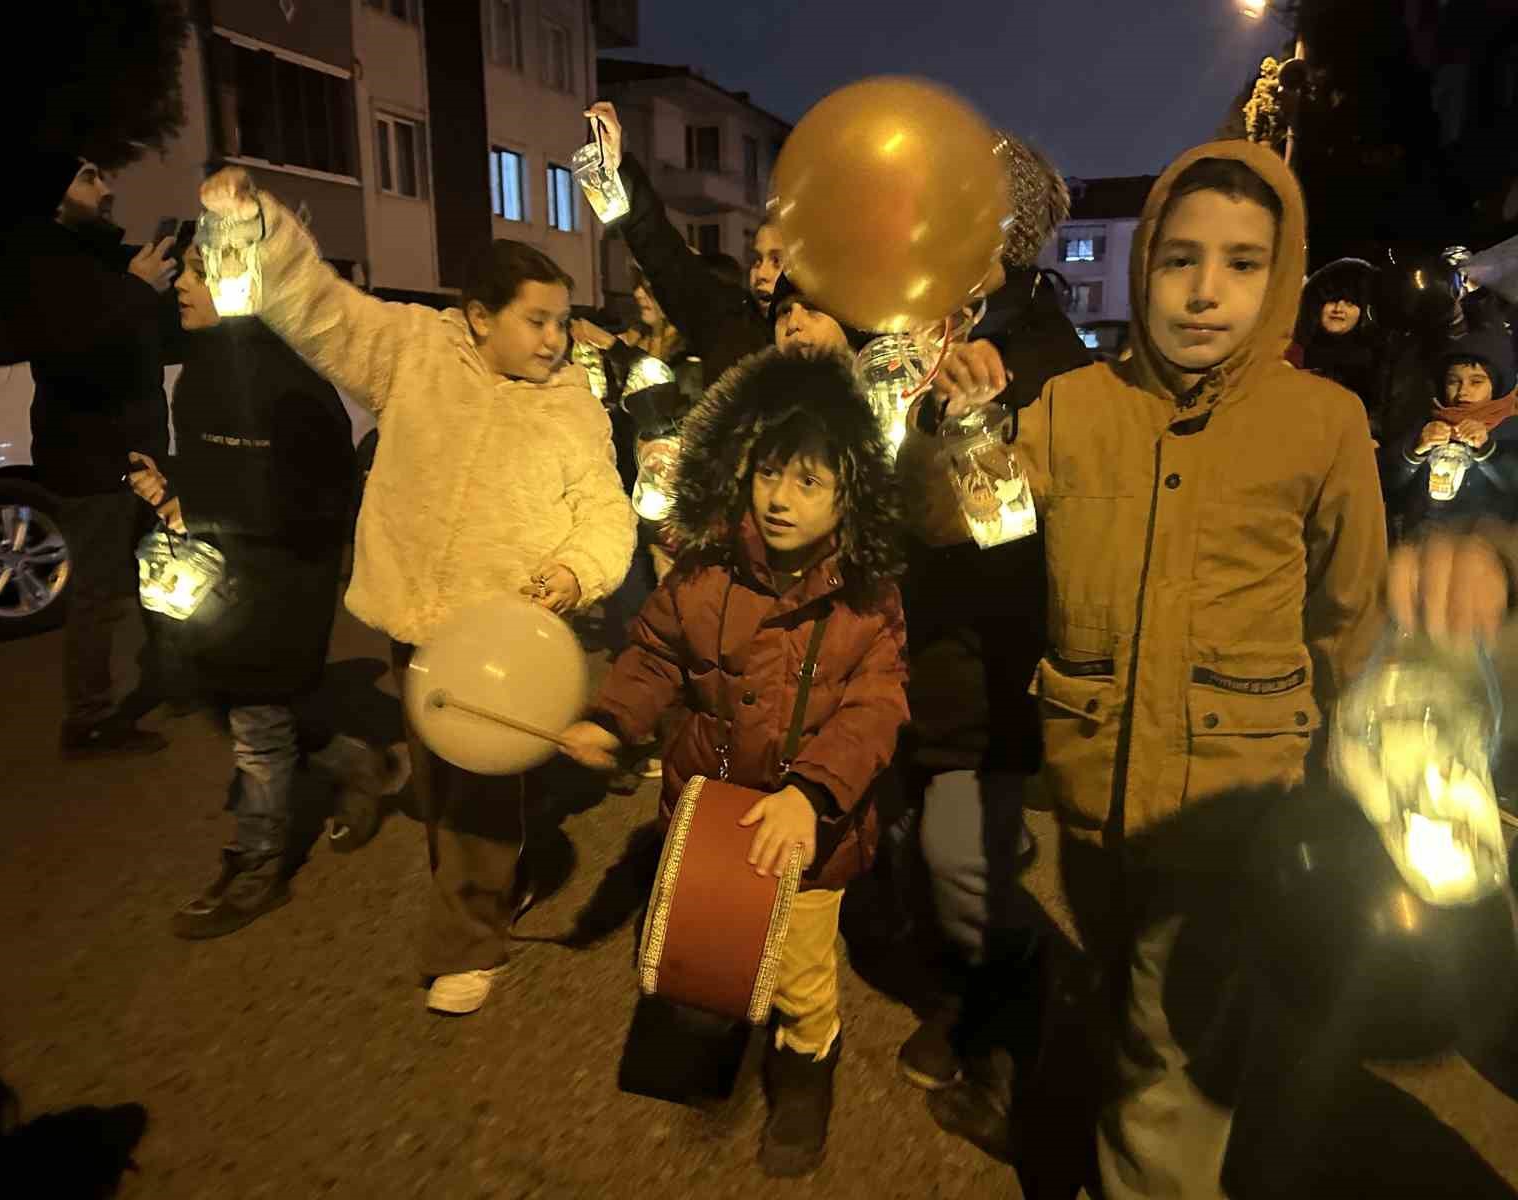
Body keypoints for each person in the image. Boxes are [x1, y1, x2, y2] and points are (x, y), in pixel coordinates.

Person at [901, 141, 1387, 1196]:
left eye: (1244, 263)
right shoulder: (1076, 405)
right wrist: (962, 424)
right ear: (1141, 268)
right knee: (1131, 1002)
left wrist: (1346, 779)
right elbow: (957, 523)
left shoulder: (1323, 421)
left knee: (1168, 1060)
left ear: (1284, 273)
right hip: (1089, 794)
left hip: (1231, 807)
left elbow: (1350, 613)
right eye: (1178, 260)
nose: (1207, 291)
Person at [196, 167, 636, 1013]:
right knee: (442, 789)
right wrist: (252, 223)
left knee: (471, 796)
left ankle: (469, 943)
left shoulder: (574, 408)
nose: (556, 339)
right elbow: (319, 308)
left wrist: (578, 569)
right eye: (536, 320)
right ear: (479, 316)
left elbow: (604, 513)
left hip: (501, 637)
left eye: (562, 322)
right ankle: (499, 883)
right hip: (414, 622)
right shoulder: (411, 351)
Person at [559, 350, 909, 1178]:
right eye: (770, 474)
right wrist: (613, 720)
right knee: (701, 938)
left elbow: (876, 709)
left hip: (810, 837)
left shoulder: (868, 598)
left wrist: (812, 793)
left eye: (810, 483)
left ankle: (805, 1064)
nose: (782, 499)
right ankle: (724, 1028)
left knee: (800, 970)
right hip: (711, 814)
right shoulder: (705, 570)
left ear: (850, 493)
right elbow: (652, 654)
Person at [892, 134, 1091, 1141]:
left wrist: (976, 428)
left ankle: (1015, 1028)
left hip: (981, 661)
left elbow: (1018, 535)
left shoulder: (1044, 355)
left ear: (1004, 235)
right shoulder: (896, 329)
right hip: (891, 648)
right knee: (930, 853)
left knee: (966, 862)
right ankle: (960, 992)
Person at [124, 242, 363, 937]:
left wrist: (211, 514)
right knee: (252, 711)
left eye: (201, 271)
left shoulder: (297, 385)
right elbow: (212, 477)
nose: (182, 284)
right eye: (185, 270)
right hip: (219, 589)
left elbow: (323, 500)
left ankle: (259, 866)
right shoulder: (196, 378)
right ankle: (363, 768)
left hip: (280, 589)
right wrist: (170, 490)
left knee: (257, 732)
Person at [0, 155, 181, 757]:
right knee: (98, 591)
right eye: (88, 178)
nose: (106, 189)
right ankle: (89, 720)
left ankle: (180, 678)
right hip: (92, 457)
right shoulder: (41, 262)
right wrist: (133, 291)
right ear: (56, 196)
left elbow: (128, 338)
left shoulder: (93, 255)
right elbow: (72, 353)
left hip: (133, 451)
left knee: (160, 567)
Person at [583, 101, 781, 385]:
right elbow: (665, 257)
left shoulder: (835, 333)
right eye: (758, 260)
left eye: (777, 261)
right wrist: (619, 170)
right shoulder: (728, 322)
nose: (761, 274)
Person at [1382, 329, 1518, 539]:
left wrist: (1487, 450)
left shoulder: (1510, 427)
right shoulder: (1428, 424)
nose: (1463, 391)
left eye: (1476, 382)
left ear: (1497, 385)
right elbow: (1387, 482)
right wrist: (1414, 453)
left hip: (1487, 544)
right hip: (1426, 539)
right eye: (1453, 381)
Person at [1292, 257, 1383, 427]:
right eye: (1332, 300)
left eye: (1350, 302)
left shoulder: (1378, 364)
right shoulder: (1294, 350)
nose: (1338, 308)